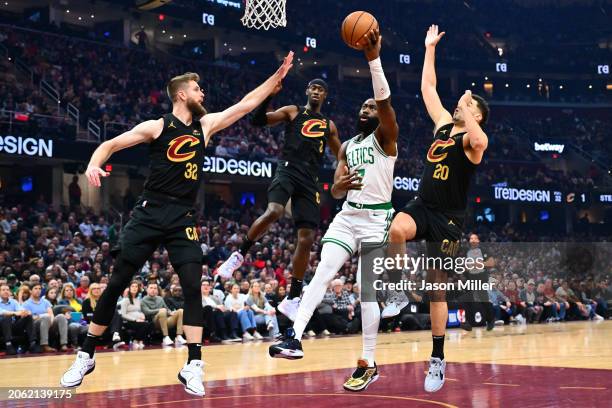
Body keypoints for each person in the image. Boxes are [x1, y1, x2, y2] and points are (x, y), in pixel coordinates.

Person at [60, 52, 294, 396]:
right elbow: (109, 144)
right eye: (197, 89)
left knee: (191, 284)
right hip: (149, 211)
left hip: (182, 215)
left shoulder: (205, 126)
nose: (203, 94)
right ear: (181, 94)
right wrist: (94, 164)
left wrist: (276, 78)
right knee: (117, 282)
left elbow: (245, 105)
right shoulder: (157, 126)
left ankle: (193, 364)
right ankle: (86, 354)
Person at [270, 28, 399, 393]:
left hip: (377, 219)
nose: (366, 109)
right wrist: (337, 187)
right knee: (322, 273)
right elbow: (336, 185)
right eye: (363, 106)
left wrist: (373, 60)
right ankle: (292, 338)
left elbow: (386, 105)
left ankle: (368, 361)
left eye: (371, 107)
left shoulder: (387, 138)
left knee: (366, 291)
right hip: (348, 216)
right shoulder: (347, 147)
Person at [384, 25, 489, 393]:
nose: (462, 105)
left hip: (448, 220)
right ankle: (396, 290)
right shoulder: (444, 125)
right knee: (396, 229)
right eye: (464, 103)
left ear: (476, 112)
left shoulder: (474, 140)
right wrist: (429, 49)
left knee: (436, 292)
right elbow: (428, 89)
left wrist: (469, 107)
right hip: (423, 205)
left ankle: (438, 357)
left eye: (470, 104)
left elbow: (478, 137)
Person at [217, 70, 341, 322]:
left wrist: (348, 170)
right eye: (312, 87)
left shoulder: (329, 126)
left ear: (325, 95)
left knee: (307, 238)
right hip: (287, 170)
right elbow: (257, 120)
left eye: (320, 89)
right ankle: (238, 255)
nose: (316, 91)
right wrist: (268, 98)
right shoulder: (293, 111)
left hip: (310, 181)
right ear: (307, 91)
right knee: (273, 211)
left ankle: (293, 297)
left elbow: (342, 155)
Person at [141, 282, 186, 347]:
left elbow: (167, 309)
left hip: (165, 319)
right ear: (147, 289)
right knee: (162, 310)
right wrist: (160, 310)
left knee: (180, 311)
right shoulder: (143, 300)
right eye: (151, 288)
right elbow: (147, 312)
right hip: (154, 322)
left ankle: (179, 336)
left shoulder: (160, 298)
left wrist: (170, 312)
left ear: (157, 290)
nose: (153, 290)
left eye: (155, 288)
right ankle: (166, 337)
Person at [0, 283, 38, 354]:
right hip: (1, 327)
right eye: (3, 290)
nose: (6, 291)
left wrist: (25, 312)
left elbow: (21, 309)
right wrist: (14, 313)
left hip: (13, 326)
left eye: (7, 290)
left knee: (28, 317)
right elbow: (2, 312)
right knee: (6, 317)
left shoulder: (13, 302)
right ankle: (8, 344)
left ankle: (33, 343)